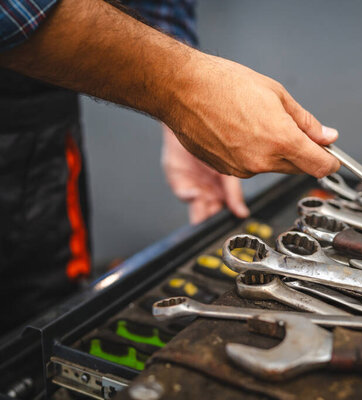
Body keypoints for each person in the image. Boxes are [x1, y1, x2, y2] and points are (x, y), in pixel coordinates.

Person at [0, 0, 340, 333]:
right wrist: (181, 87)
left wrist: (182, 116)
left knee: (36, 319)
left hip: (33, 125)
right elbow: (13, 15)